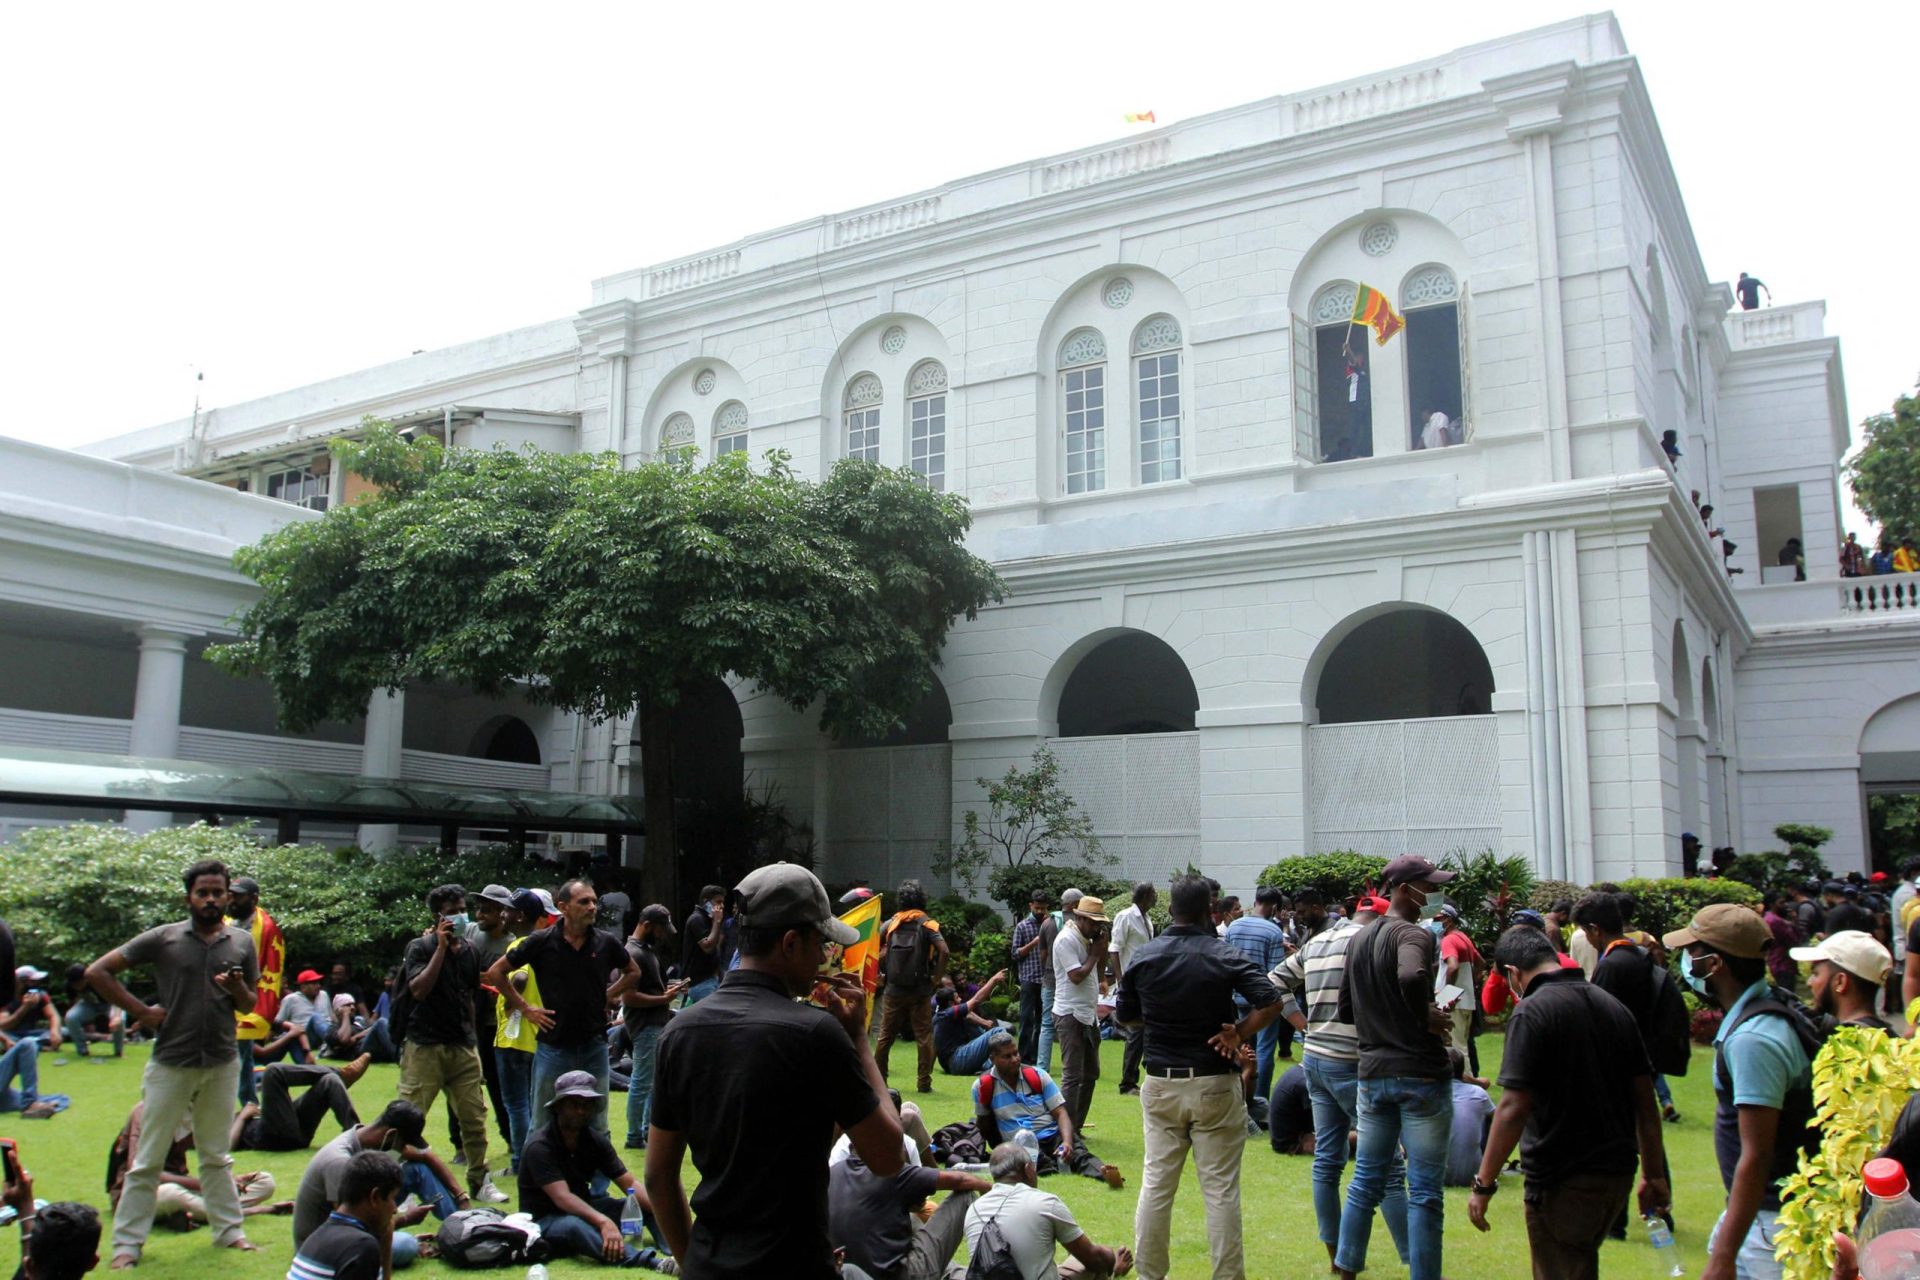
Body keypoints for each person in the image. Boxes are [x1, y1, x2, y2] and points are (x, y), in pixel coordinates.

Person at [645, 862, 907, 1279]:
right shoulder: (816, 1035)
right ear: (789, 943)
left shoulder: (680, 1032)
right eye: (821, 943)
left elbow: (659, 1176)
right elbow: (889, 1156)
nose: (826, 957)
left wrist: (692, 1260)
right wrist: (858, 1038)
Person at [1466, 925, 1670, 1280]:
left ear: (1513, 973)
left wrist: (1484, 1183)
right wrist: (1653, 1174)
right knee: (1579, 1264)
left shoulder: (1532, 1012)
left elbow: (1513, 1106)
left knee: (1560, 1269)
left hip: (1562, 1177)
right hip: (1616, 1172)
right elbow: (1645, 1101)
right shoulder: (1612, 1005)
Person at [85, 857, 260, 1268]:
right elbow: (99, 972)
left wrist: (237, 988)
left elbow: (251, 1002)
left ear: (227, 895)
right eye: (203, 892)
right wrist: (141, 1012)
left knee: (216, 1156)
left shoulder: (241, 942)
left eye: (219, 892)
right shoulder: (164, 938)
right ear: (189, 897)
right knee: (147, 1158)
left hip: (221, 1060)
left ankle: (230, 1232)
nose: (212, 899)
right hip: (171, 1062)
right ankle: (127, 1247)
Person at [1115, 873, 1281, 1280]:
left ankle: (1150, 1275)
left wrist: (1157, 1021)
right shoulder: (1223, 953)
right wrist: (1239, 1033)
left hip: (1160, 1083)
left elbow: (1126, 1016)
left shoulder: (1146, 956)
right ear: (1210, 910)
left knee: (1156, 1187)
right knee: (1221, 1191)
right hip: (1214, 1083)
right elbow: (1271, 1000)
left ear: (1170, 910)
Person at [1664, 904, 1816, 1280]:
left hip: (1770, 1224)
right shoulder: (1770, 1009)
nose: (1686, 961)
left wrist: (1723, 1255)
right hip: (1760, 1216)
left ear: (1714, 965)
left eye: (1692, 951)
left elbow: (1758, 1153)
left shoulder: (1753, 1040)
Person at [1270, 893, 1410, 1270]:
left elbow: (1274, 982)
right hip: (1350, 1063)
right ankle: (1419, 1263)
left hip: (1314, 1060)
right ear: (1381, 922)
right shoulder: (1370, 943)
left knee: (1328, 1163)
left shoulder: (1317, 942)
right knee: (1391, 1165)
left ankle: (1338, 1258)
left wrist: (1303, 1025)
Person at [1334, 855, 1457, 1280]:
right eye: (1430, 885)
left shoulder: (1360, 939)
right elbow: (1409, 976)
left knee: (1366, 1179)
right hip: (1420, 1074)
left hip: (1373, 1075)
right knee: (1424, 1192)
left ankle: (1346, 1268)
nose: (1436, 893)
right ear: (1405, 889)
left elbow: (1346, 1011)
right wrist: (1423, 1015)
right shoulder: (1413, 934)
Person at [484, 878, 641, 1141]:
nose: (592, 907)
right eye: (584, 902)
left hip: (594, 1043)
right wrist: (526, 1008)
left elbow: (633, 972)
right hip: (553, 1045)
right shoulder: (542, 941)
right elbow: (496, 972)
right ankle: (536, 1180)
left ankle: (598, 1182)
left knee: (598, 1121)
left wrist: (608, 994)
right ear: (564, 907)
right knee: (542, 1119)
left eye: (593, 901)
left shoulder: (605, 942)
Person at [396, 883, 505, 1204]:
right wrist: (441, 949)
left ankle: (479, 1179)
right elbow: (418, 990)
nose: (459, 916)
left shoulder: (470, 951)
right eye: (452, 911)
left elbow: (471, 995)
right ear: (437, 916)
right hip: (425, 1044)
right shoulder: (420, 948)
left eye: (461, 909)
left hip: (461, 1045)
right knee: (410, 1116)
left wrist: (471, 1038)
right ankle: (402, 1186)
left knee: (473, 1116)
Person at [519, 1071, 675, 1271]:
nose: (581, 1111)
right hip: (545, 1220)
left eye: (586, 1105)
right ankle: (653, 1263)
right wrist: (603, 1222)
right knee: (573, 1226)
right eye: (574, 1104)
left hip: (584, 1206)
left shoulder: (594, 1141)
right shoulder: (539, 1146)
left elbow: (630, 1184)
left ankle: (677, 1249)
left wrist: (665, 1210)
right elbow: (562, 1198)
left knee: (639, 1205)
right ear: (558, 1107)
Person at [827, 1096, 990, 1280]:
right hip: (902, 1274)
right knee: (965, 1196)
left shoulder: (831, 1173)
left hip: (851, 1269)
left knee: (913, 1220)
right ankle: (985, 1266)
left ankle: (955, 1273)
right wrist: (990, 1189)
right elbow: (961, 1180)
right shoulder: (890, 1171)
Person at [292, 1100, 463, 1271]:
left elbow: (425, 1157)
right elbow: (345, 1227)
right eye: (403, 1144)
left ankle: (461, 1227)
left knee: (417, 1169)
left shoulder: (372, 1140)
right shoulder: (339, 1162)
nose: (403, 1149)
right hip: (324, 1243)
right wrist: (403, 1220)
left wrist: (461, 1196)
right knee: (406, 1244)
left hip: (357, 1216)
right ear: (392, 1135)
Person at [1575, 892, 1683, 1130]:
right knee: (1647, 1126)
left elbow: (1600, 1023)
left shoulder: (1611, 966)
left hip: (1621, 1067)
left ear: (1595, 929)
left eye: (1586, 932)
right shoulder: (1640, 955)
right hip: (1645, 1057)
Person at [962, 1142, 1134, 1280]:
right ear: (1029, 1169)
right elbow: (1093, 1258)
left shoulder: (974, 1209)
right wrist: (1112, 1260)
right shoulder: (1044, 1203)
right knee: (1093, 1259)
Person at [973, 1030, 1122, 1186]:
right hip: (1019, 1143)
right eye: (1007, 1056)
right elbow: (984, 1127)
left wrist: (1067, 1142)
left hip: (1052, 1135)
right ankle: (1052, 1165)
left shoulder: (1038, 1075)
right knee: (1035, 1163)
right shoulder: (982, 1087)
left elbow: (1060, 1113)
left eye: (1016, 1053)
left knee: (1079, 1155)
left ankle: (1106, 1173)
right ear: (992, 1059)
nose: (1015, 1059)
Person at [106, 1101, 286, 1229]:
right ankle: (254, 1211)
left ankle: (191, 1214)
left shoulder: (195, 1110)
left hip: (186, 1188)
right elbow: (140, 1173)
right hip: (138, 1195)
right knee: (171, 1194)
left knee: (264, 1181)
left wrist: (228, 1180)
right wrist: (204, 1184)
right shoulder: (145, 1112)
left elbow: (221, 1148)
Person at [620, 903, 686, 1150]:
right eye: (660, 929)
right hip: (645, 1025)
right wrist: (663, 999)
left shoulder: (643, 950)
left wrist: (665, 993)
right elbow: (628, 997)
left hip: (654, 1022)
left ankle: (647, 1130)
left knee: (651, 1082)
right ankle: (633, 1135)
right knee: (642, 1081)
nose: (662, 935)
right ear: (647, 926)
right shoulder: (634, 953)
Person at [873, 880, 949, 1096]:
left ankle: (880, 1081)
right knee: (924, 1036)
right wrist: (936, 978)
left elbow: (871, 945)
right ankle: (923, 1083)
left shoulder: (892, 923)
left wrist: (879, 973)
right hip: (920, 990)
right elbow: (944, 951)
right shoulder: (926, 924)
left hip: (894, 989)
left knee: (885, 1036)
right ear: (921, 899)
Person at [458, 884, 518, 1155]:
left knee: (498, 1085)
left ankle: (510, 1138)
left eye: (487, 910)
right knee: (461, 1084)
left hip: (494, 1025)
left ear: (502, 913)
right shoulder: (470, 932)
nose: (480, 914)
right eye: (479, 908)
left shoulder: (511, 945)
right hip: (465, 1021)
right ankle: (459, 1145)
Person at [287, 1150, 403, 1280]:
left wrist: (386, 1242)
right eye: (393, 1198)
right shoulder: (361, 1246)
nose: (394, 1209)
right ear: (374, 1197)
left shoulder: (318, 1235)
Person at [1051, 893, 1111, 1133]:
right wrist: (1096, 953)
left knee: (1091, 1073)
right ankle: (1066, 1131)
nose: (1096, 927)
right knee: (1073, 1076)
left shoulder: (1089, 940)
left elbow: (1097, 975)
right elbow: (1075, 976)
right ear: (1079, 918)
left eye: (1100, 923)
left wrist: (1101, 948)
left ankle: (1074, 1127)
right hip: (1069, 1014)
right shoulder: (1066, 939)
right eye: (1093, 922)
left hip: (1087, 1014)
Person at [493, 888, 544, 1169]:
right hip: (535, 1039)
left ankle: (519, 1161)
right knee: (531, 1103)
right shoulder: (544, 944)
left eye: (508, 909)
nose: (503, 914)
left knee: (516, 1104)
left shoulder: (518, 947)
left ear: (521, 915)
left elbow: (520, 977)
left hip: (513, 1037)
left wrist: (513, 1004)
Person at [1223, 885, 1291, 1095]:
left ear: (1255, 902)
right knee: (1264, 1050)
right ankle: (1260, 1099)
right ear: (1274, 908)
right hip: (1263, 1001)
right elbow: (1275, 973)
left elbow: (1225, 963)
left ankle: (1242, 1095)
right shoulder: (1273, 931)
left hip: (1237, 997)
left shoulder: (1233, 927)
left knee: (1241, 1048)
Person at [224, 878, 283, 1105]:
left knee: (242, 1053)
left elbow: (272, 968)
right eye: (231, 895)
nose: (233, 900)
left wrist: (262, 1006)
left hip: (245, 997)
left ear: (254, 898)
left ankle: (248, 1101)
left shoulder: (267, 928)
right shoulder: (224, 920)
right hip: (219, 994)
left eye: (238, 896)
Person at [232, 1057, 370, 1151]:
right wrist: (242, 1117)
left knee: (329, 1081)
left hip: (292, 1131)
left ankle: (358, 1137)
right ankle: (342, 1074)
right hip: (270, 1137)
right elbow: (227, 1145)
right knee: (272, 1071)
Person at [6, 1165, 100, 1280]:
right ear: (94, 1261)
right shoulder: (30, 1266)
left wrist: (25, 1206)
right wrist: (25, 1206)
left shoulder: (30, 1267)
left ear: (28, 1266)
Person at [1792, 930, 1895, 1033]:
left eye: (1816, 974)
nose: (1809, 982)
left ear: (1840, 982)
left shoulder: (1846, 1044)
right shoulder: (1888, 1037)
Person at [1108, 883, 1156, 1096]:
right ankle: (1127, 1082)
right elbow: (1115, 949)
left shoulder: (1146, 919)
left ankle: (1146, 1075)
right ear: (1146, 896)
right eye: (1154, 894)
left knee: (1147, 1029)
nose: (1156, 898)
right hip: (1132, 982)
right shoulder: (1125, 916)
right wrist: (1121, 981)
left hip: (1146, 982)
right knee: (1136, 1031)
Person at [933, 968, 1009, 1076]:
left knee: (974, 1028)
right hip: (956, 1060)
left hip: (953, 1062)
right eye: (957, 998)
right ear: (950, 1002)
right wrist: (993, 979)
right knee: (998, 1032)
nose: (960, 1000)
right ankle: (1007, 1066)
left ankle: (992, 1067)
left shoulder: (941, 1015)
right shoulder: (948, 1013)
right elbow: (976, 1000)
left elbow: (969, 1014)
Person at [1434, 905, 1481, 1059]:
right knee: (1462, 1044)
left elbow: (1453, 967)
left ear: (1449, 919)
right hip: (1466, 1000)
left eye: (1438, 919)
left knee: (1456, 1049)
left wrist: (1446, 995)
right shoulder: (1463, 937)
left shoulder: (1449, 940)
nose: (1435, 923)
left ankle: (1464, 1082)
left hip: (1454, 1003)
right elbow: (1480, 963)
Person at [1011, 891, 1052, 1068]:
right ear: (1030, 906)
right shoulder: (1022, 926)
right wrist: (1033, 943)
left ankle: (1036, 1055)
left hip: (1046, 979)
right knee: (1026, 1018)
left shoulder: (1050, 925)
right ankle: (1023, 1055)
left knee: (1042, 1021)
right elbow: (1015, 953)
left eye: (1043, 908)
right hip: (1029, 978)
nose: (1040, 911)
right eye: (1037, 908)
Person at [1442, 1047, 1492, 1188]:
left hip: (1435, 1176)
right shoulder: (1478, 1093)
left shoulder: (1429, 1094)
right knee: (1489, 1118)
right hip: (1473, 1174)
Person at [60, 963, 123, 1059]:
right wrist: (81, 1021)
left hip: (110, 1003)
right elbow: (73, 1002)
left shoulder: (101, 979)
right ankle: (82, 1050)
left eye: (79, 983)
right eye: (74, 984)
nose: (77, 987)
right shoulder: (69, 986)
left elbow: (119, 997)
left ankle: (118, 1052)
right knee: (71, 1017)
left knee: (120, 1020)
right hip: (89, 1004)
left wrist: (117, 1016)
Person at [678, 884, 727, 1006]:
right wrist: (716, 922)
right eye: (718, 902)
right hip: (700, 982)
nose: (721, 906)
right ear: (706, 902)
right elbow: (708, 947)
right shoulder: (697, 919)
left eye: (722, 902)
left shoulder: (707, 919)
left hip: (710, 978)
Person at [1266, 1063, 1315, 1155]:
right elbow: (1324, 1123)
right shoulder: (1304, 1081)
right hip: (1294, 1144)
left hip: (1286, 1139)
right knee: (1345, 1135)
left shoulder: (1298, 1072)